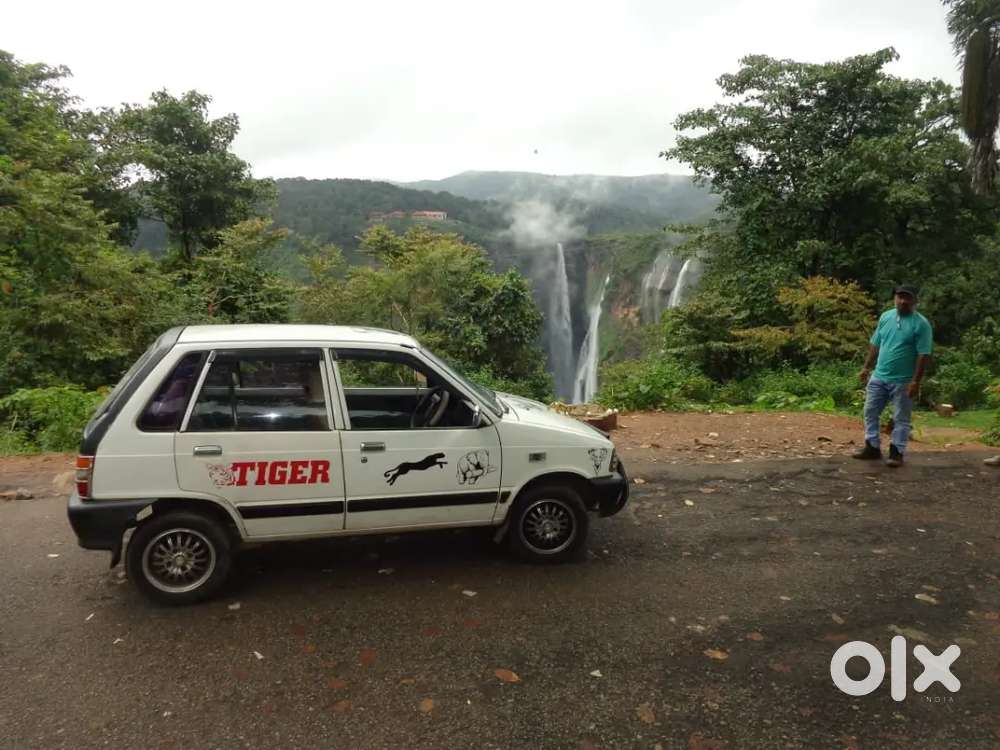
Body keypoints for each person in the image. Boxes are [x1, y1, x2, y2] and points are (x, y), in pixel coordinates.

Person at [852, 285, 933, 467]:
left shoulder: (921, 324)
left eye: (907, 298)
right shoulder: (886, 317)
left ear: (915, 301)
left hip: (903, 381)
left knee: (900, 418)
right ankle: (871, 447)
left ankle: (897, 452)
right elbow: (875, 343)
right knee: (870, 412)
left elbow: (923, 354)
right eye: (900, 297)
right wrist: (866, 368)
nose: (903, 301)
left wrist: (915, 382)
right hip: (879, 376)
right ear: (895, 298)